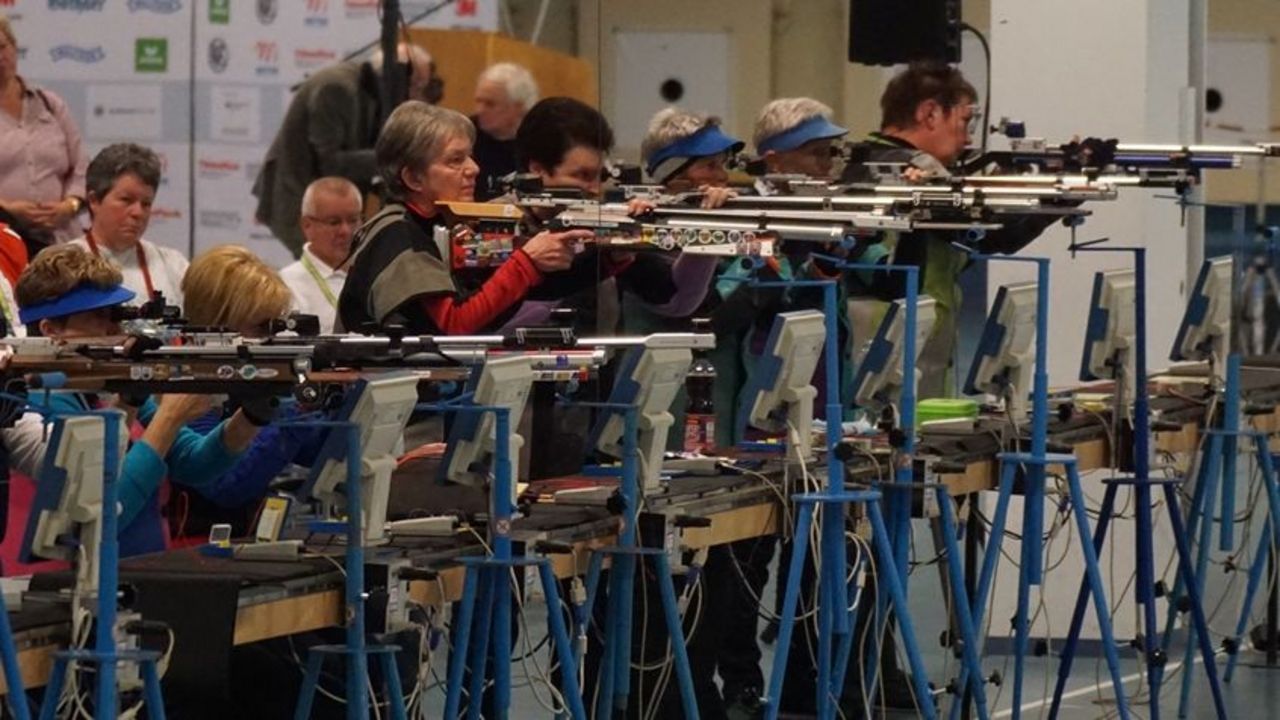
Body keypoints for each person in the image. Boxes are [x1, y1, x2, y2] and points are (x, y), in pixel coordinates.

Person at [0, 246, 259, 569]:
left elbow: (196, 465)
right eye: (99, 318)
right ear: (50, 330)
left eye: (116, 316)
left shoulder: (106, 390)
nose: (116, 330)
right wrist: (166, 417)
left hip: (129, 576)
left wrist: (254, 414)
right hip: (51, 589)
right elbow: (102, 508)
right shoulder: (29, 403)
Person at [841, 61, 1061, 397]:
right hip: (885, 354)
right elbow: (997, 237)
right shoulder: (914, 171)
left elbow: (970, 243)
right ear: (929, 113)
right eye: (964, 121)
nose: (968, 137)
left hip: (915, 352)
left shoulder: (875, 165)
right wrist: (1058, 196)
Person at [336, 101, 593, 336]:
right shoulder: (396, 234)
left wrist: (611, 256)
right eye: (456, 160)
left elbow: (532, 288)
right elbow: (452, 325)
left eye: (470, 156)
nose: (474, 169)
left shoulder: (438, 225)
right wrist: (526, 262)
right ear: (414, 178)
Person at [174, 245, 322, 540]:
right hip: (188, 548)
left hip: (242, 539)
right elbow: (223, 484)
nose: (270, 339)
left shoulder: (243, 371)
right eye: (260, 327)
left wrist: (335, 402)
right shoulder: (181, 377)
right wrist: (293, 412)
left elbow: (313, 454)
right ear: (217, 322)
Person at [254, 43, 439, 257]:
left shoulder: (368, 91)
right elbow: (331, 162)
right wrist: (392, 159)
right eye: (415, 86)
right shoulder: (336, 88)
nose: (415, 96)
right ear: (395, 78)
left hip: (324, 198)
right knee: (323, 266)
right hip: (298, 194)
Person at [0, 16, 88, 247]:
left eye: (2, 47)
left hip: (63, 239)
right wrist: (6, 209)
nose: (0, 57)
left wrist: (70, 205)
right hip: (6, 243)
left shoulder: (49, 103)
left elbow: (81, 166)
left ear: (14, 48)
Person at [68, 143, 189, 310]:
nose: (138, 213)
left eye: (146, 204)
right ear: (94, 200)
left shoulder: (173, 265)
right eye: (126, 200)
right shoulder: (65, 266)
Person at [279, 177, 362, 333]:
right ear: (307, 225)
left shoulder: (374, 275)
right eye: (334, 222)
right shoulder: (286, 285)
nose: (346, 231)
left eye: (353, 220)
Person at [472, 62, 538, 199]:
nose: (479, 110)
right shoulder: (467, 134)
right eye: (478, 101)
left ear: (519, 107)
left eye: (490, 104)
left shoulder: (539, 142)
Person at [754, 96, 849, 181]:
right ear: (774, 161)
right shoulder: (749, 199)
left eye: (831, 152)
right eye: (818, 153)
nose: (829, 165)